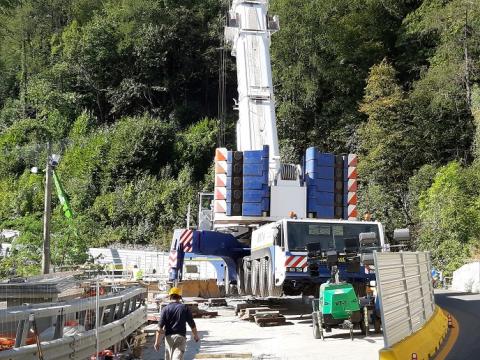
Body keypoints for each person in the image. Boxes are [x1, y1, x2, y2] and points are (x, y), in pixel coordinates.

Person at [154, 287, 200, 360]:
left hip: (168, 338)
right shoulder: (184, 308)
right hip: (180, 338)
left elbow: (159, 328)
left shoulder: (165, 309)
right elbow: (192, 323)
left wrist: (157, 342)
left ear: (170, 297)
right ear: (180, 297)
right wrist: (196, 335)